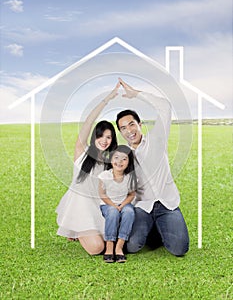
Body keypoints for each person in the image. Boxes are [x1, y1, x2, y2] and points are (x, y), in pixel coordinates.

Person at [116, 78, 189, 257]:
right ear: (121, 132)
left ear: (140, 125)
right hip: (142, 207)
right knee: (132, 246)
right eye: (123, 128)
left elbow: (165, 106)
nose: (129, 130)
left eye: (132, 124)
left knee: (179, 249)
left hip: (167, 204)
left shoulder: (157, 139)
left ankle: (159, 227)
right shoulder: (121, 156)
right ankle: (153, 231)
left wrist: (136, 94)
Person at [56, 82, 120, 255]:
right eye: (100, 135)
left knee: (115, 243)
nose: (104, 140)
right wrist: (107, 99)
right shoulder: (82, 153)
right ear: (94, 136)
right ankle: (76, 229)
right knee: (96, 248)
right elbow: (89, 121)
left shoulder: (111, 162)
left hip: (99, 207)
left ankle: (83, 233)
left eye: (108, 137)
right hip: (81, 206)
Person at [98, 145, 137, 263]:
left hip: (124, 203)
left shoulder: (129, 177)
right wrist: (114, 206)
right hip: (108, 204)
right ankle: (109, 245)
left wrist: (123, 205)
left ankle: (119, 246)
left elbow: (131, 194)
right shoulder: (105, 176)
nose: (119, 161)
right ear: (111, 159)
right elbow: (102, 195)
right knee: (112, 212)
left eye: (124, 159)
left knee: (129, 212)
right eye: (116, 157)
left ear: (129, 162)